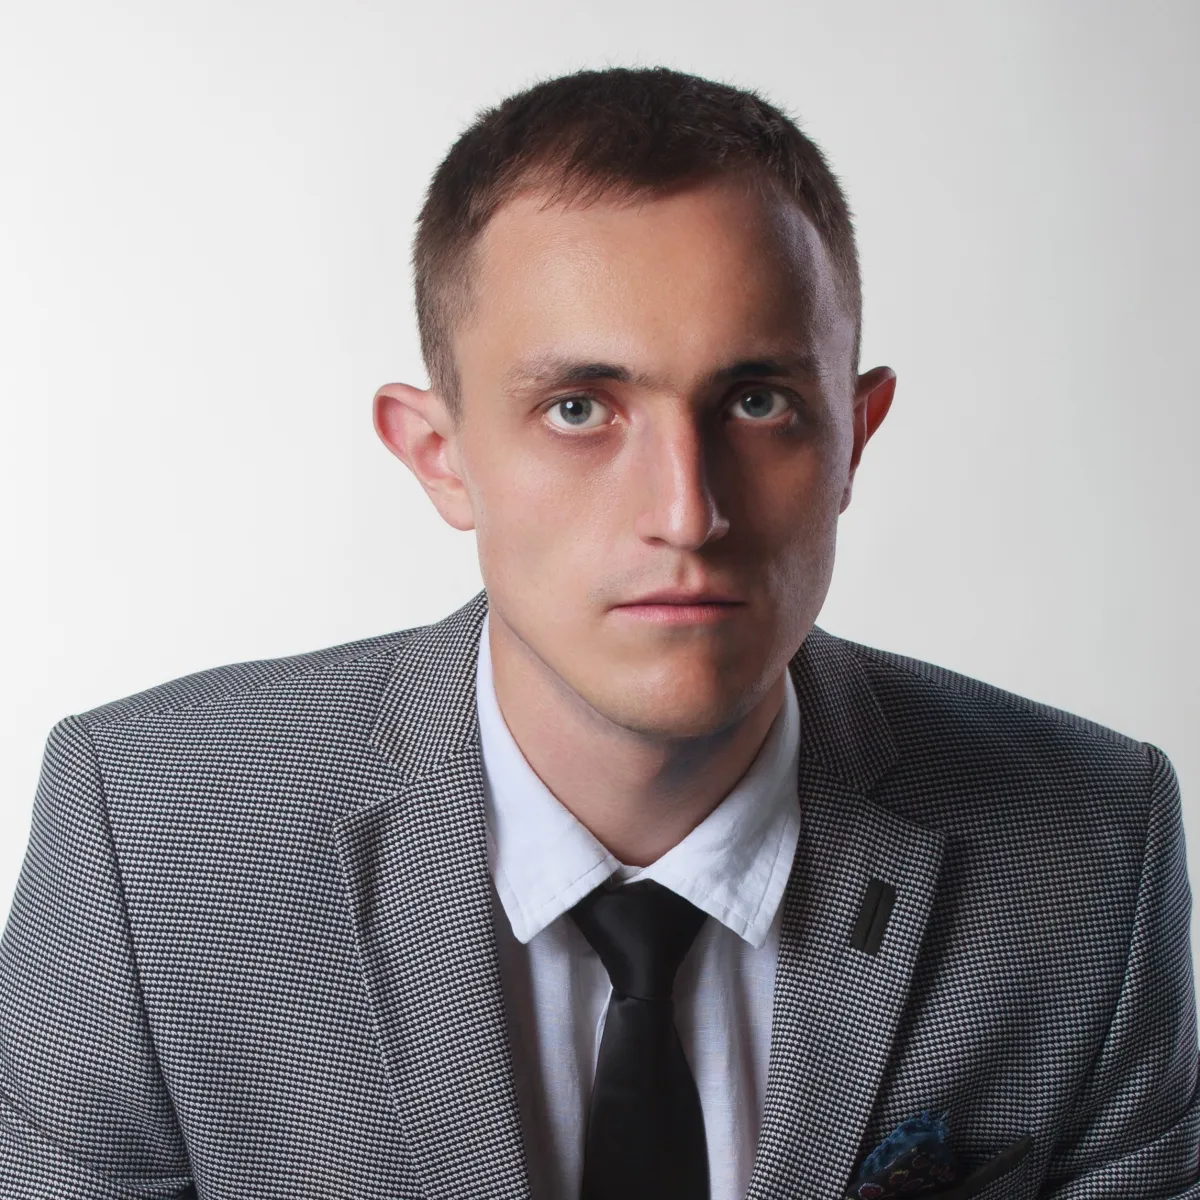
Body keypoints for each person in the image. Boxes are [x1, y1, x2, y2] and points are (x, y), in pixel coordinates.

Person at [0, 65, 1195, 1200]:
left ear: (856, 437)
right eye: (579, 408)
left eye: (758, 402)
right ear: (439, 455)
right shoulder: (147, 846)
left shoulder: (1091, 851)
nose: (687, 512)